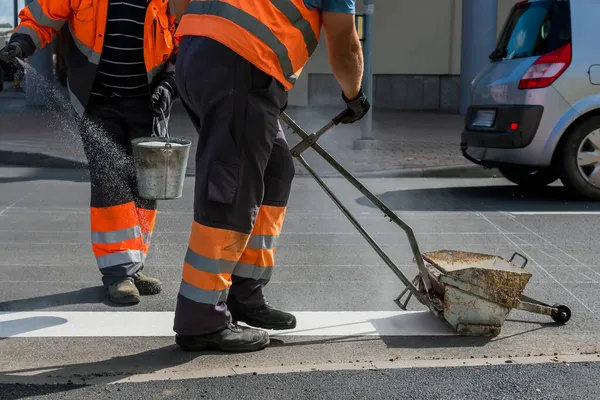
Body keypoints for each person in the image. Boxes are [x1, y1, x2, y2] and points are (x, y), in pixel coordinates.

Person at [171, 0, 370, 352]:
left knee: (276, 169)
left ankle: (244, 292)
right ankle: (201, 319)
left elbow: (176, 5)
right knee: (231, 189)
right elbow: (346, 48)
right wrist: (354, 96)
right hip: (240, 64)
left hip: (198, 53)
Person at [0, 0, 179, 305]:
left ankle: (133, 265)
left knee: (145, 185)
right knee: (110, 179)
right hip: (97, 100)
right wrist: (19, 44)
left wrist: (170, 81)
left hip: (147, 101)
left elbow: (183, 39)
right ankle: (118, 273)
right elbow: (43, 16)